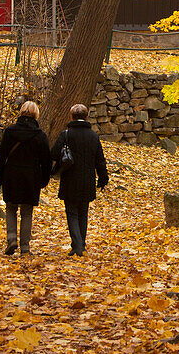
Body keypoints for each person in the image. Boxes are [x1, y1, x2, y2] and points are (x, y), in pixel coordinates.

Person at [0, 100, 52, 256]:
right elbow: (46, 160)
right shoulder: (40, 135)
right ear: (36, 115)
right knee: (27, 212)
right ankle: (25, 247)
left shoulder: (10, 132)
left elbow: (0, 157)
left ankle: (11, 239)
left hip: (11, 175)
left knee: (11, 208)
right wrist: (44, 179)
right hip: (31, 177)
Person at [52, 103, 108, 256]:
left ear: (71, 116)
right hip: (88, 179)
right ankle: (81, 244)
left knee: (71, 213)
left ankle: (76, 245)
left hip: (70, 178)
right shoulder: (93, 136)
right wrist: (103, 178)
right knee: (83, 213)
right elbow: (100, 160)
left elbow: (54, 153)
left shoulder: (66, 135)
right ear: (86, 116)